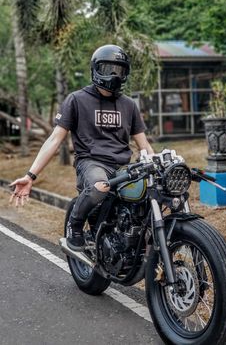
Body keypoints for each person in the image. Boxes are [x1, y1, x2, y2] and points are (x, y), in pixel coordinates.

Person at [10, 44, 154, 251]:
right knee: (99, 187)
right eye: (108, 69)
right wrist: (30, 175)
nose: (114, 74)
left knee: (148, 196)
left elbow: (144, 144)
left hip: (123, 166)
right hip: (92, 162)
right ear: (95, 69)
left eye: (119, 69)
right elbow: (54, 139)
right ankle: (74, 225)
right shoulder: (77, 99)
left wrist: (160, 162)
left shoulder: (129, 104)